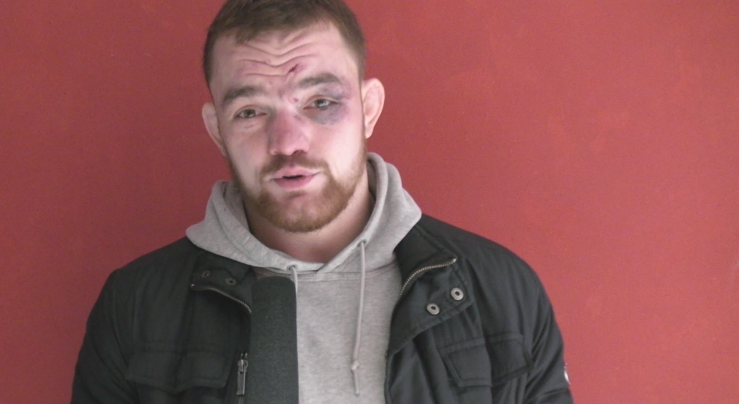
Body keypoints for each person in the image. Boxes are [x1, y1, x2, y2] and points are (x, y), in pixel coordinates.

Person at [71, 0, 574, 403]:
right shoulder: (134, 308)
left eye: (321, 103)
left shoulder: (501, 292)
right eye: (250, 111)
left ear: (369, 109)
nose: (287, 141)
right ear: (217, 130)